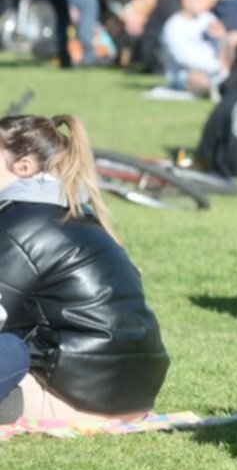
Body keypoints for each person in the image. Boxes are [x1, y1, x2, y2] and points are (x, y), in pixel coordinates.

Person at [0, 114, 170, 421]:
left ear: (22, 166)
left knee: (8, 350)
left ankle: (15, 403)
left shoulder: (18, 223)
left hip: (73, 393)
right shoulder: (81, 216)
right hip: (131, 392)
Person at [160, 0, 231, 96]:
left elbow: (222, 49)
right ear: (186, 0)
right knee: (198, 79)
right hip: (186, 74)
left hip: (215, 69)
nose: (205, 4)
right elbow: (185, 59)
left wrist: (222, 38)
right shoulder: (173, 26)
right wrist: (218, 66)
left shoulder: (208, 19)